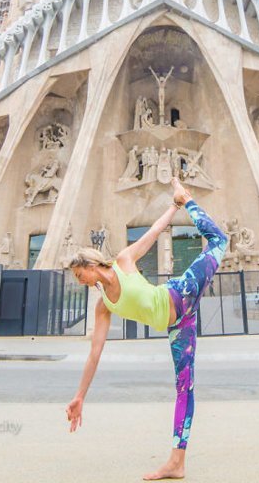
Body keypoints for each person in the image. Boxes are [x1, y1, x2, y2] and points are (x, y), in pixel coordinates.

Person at [66, 177, 228, 480]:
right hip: (179, 324)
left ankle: (189, 199)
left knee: (220, 241)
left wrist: (176, 205)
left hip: (182, 292)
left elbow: (154, 232)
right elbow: (94, 354)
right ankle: (176, 462)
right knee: (184, 388)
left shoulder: (124, 261)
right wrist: (80, 396)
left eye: (79, 274)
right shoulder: (103, 306)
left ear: (90, 264)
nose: (80, 281)